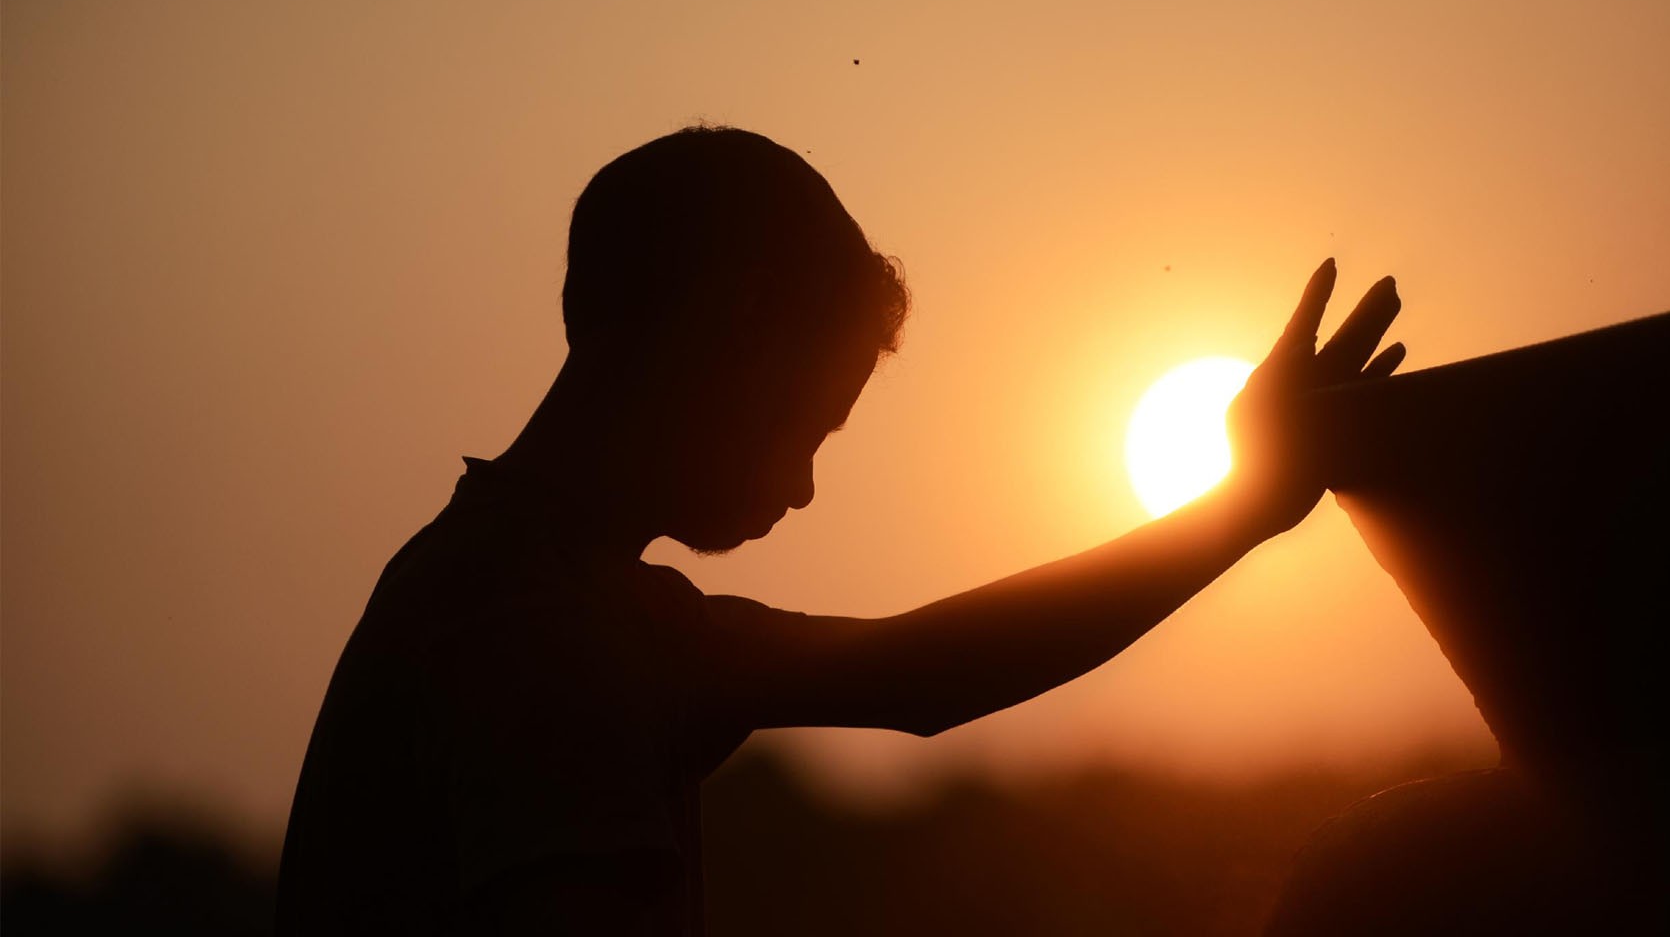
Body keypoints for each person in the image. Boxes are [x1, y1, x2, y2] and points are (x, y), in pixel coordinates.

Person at [274, 126, 1406, 935]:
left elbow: (922, 674)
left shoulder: (538, 597)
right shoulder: (539, 640)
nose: (807, 487)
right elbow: (922, 679)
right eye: (810, 424)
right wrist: (1241, 511)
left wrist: (1243, 511)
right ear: (741, 326)